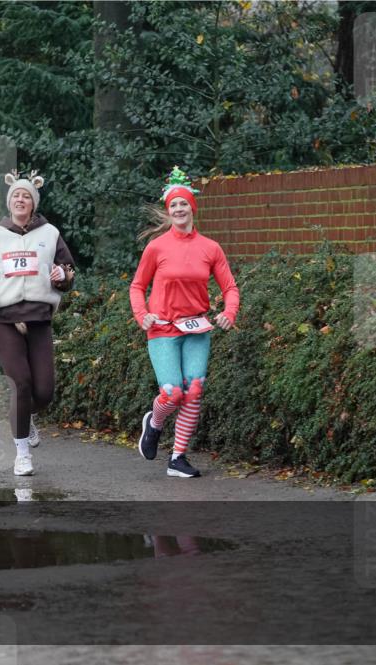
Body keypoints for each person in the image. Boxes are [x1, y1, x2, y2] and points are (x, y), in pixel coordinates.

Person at [129, 166, 240, 478]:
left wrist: (229, 312)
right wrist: (142, 315)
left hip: (196, 328)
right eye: (174, 205)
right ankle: (154, 422)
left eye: (184, 204)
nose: (179, 209)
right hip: (162, 328)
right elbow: (137, 287)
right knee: (173, 392)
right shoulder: (157, 247)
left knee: (194, 390)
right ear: (169, 211)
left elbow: (230, 288)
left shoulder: (210, 248)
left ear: (193, 207)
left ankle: (178, 457)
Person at [0, 171, 76, 476]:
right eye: (16, 195)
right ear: (9, 202)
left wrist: (63, 275)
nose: (20, 200)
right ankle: (22, 454)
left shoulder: (50, 233)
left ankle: (25, 415)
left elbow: (68, 270)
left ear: (33, 203)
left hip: (39, 319)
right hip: (5, 319)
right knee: (21, 384)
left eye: (26, 196)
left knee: (45, 392)